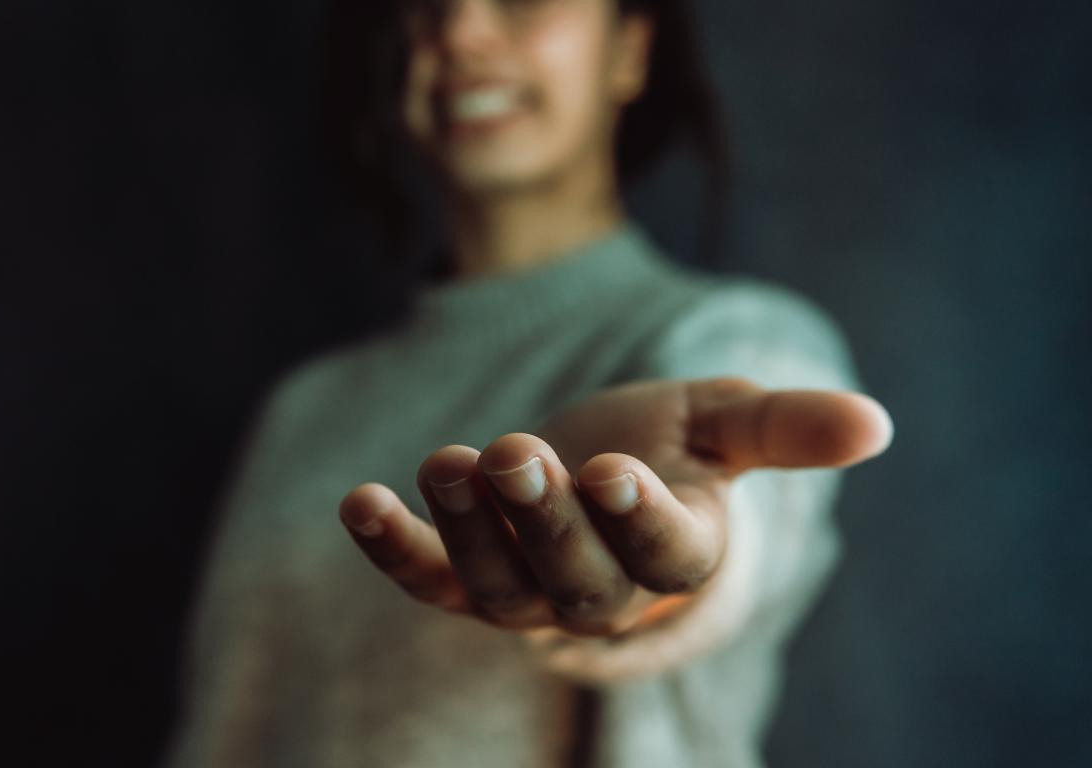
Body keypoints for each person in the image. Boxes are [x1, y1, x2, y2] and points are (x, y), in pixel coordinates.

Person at [164, 1, 894, 766]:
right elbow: (221, 733)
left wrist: (665, 560)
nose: (458, 32)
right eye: (424, 8)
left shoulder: (730, 337)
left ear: (630, 50)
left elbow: (742, 522)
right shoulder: (305, 408)